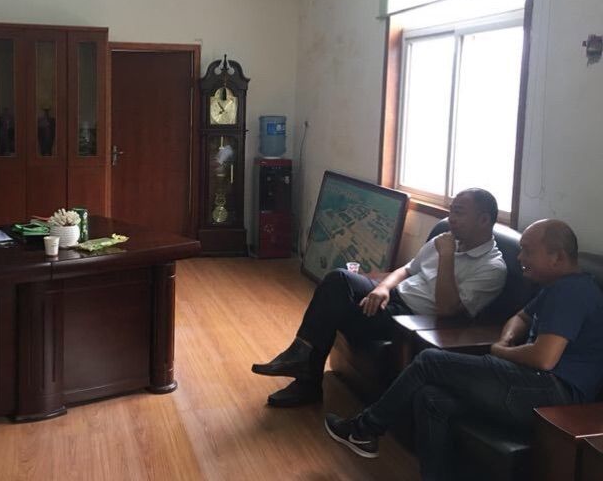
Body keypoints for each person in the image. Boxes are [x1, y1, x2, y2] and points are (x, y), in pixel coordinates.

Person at [324, 219, 603, 481]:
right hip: (530, 382)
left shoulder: (572, 293)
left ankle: (365, 429)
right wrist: (506, 340)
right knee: (431, 397)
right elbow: (520, 318)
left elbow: (544, 358)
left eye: (528, 251)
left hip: (553, 394)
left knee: (430, 361)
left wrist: (500, 352)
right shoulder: (555, 288)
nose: (520, 258)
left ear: (557, 257)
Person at [252, 188, 507, 407]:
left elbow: (447, 309)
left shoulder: (492, 268)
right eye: (451, 211)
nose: (451, 219)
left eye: (459, 213)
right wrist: (382, 288)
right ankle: (300, 355)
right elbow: (407, 269)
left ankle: (306, 378)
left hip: (411, 318)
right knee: (337, 279)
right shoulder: (446, 239)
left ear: (484, 220)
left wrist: (448, 257)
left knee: (333, 309)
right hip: (393, 295)